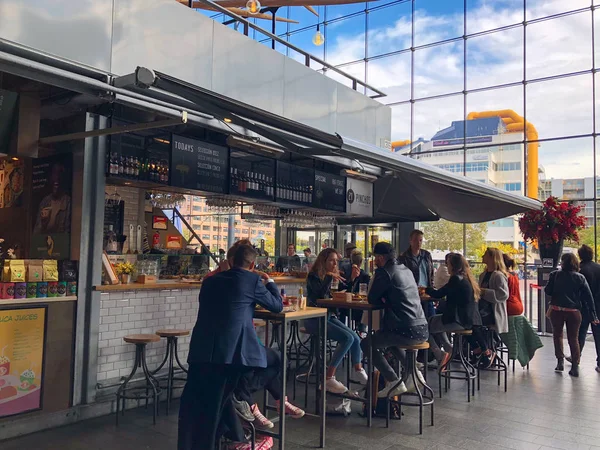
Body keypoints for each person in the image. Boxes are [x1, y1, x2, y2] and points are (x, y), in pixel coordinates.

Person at [179, 245, 284, 449]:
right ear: (252, 265)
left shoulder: (209, 281)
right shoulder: (252, 280)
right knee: (276, 359)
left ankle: (236, 431)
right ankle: (241, 395)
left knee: (204, 405)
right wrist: (269, 281)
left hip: (201, 351)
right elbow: (277, 306)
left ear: (228, 259)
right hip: (230, 354)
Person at [360, 242, 429, 398]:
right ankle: (414, 373)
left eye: (375, 257)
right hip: (422, 327)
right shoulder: (406, 270)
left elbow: (372, 298)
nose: (374, 261)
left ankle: (393, 381)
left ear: (381, 257)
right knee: (386, 338)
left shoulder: (384, 272)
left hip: (406, 330)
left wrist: (384, 299)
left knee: (366, 343)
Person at [305, 248, 368, 393]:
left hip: (329, 316)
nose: (335, 264)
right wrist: (328, 276)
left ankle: (358, 370)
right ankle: (329, 378)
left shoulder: (334, 276)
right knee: (347, 338)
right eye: (332, 260)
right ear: (323, 261)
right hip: (314, 318)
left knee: (355, 338)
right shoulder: (313, 277)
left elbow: (343, 292)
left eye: (336, 261)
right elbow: (320, 296)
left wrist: (352, 279)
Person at [545, 253, 598, 377]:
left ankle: (560, 362)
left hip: (557, 310)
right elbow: (588, 297)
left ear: (562, 263)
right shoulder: (580, 278)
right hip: (574, 312)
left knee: (557, 336)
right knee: (573, 339)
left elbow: (548, 291)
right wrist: (593, 315)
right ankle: (575, 366)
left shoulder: (554, 274)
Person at [425, 253, 479, 369]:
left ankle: (440, 354)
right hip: (466, 320)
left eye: (448, 264)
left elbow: (439, 294)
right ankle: (449, 350)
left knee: (424, 327)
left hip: (457, 320)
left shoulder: (455, 279)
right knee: (434, 322)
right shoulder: (465, 279)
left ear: (453, 266)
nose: (446, 266)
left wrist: (424, 289)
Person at [399, 230, 435, 317]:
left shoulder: (426, 255)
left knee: (431, 317)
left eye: (420, 240)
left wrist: (432, 289)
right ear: (410, 241)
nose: (418, 243)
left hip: (426, 291)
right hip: (412, 293)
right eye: (415, 240)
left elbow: (431, 274)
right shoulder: (404, 257)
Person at [576, 245, 600, 372]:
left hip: (585, 307)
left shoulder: (581, 271)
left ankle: (577, 357)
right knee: (598, 335)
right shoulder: (598, 268)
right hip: (598, 306)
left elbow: (581, 291)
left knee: (581, 332)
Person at [338, 249, 370, 332]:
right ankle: (361, 331)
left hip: (344, 308)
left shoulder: (343, 271)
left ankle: (343, 331)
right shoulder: (365, 275)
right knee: (363, 312)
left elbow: (341, 289)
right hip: (355, 308)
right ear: (361, 261)